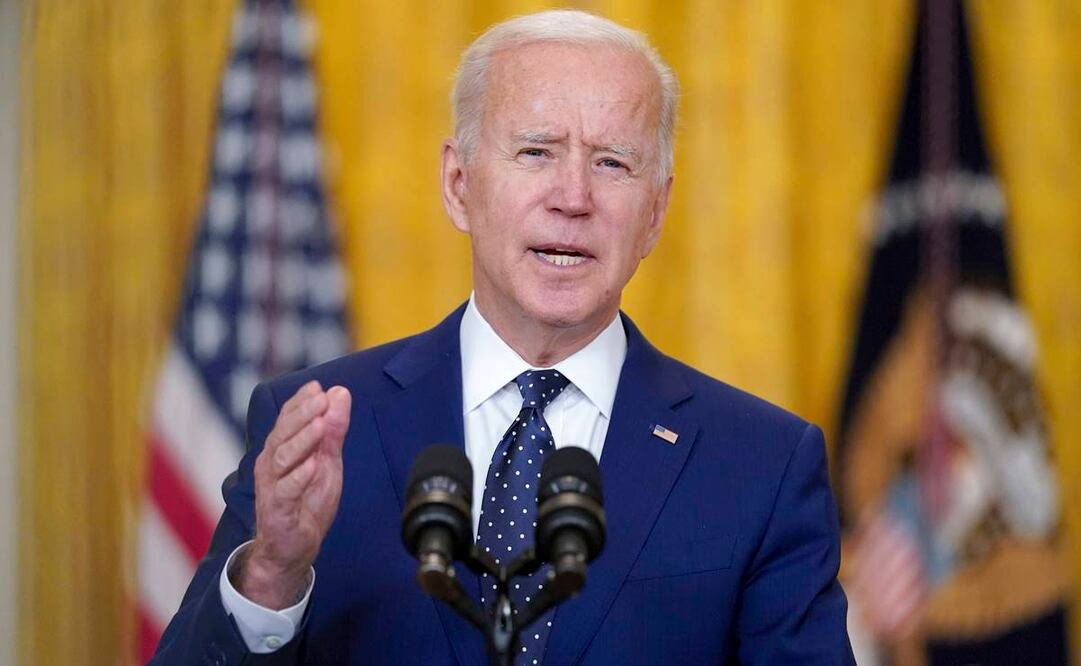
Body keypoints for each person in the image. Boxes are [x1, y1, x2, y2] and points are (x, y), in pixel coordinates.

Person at [151, 9, 854, 665]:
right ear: (458, 184)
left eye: (612, 162)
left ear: (656, 212)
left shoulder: (761, 464)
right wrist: (272, 572)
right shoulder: (321, 427)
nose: (572, 197)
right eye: (535, 152)